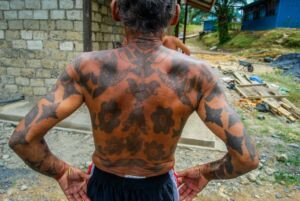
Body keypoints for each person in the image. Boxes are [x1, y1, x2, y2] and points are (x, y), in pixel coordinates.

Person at [9, 0, 259, 201]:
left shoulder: (87, 68)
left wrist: (61, 171)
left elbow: (22, 140)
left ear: (116, 9)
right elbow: (246, 158)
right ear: (175, 15)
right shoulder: (198, 75)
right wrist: (206, 173)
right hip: (157, 189)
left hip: (103, 187)